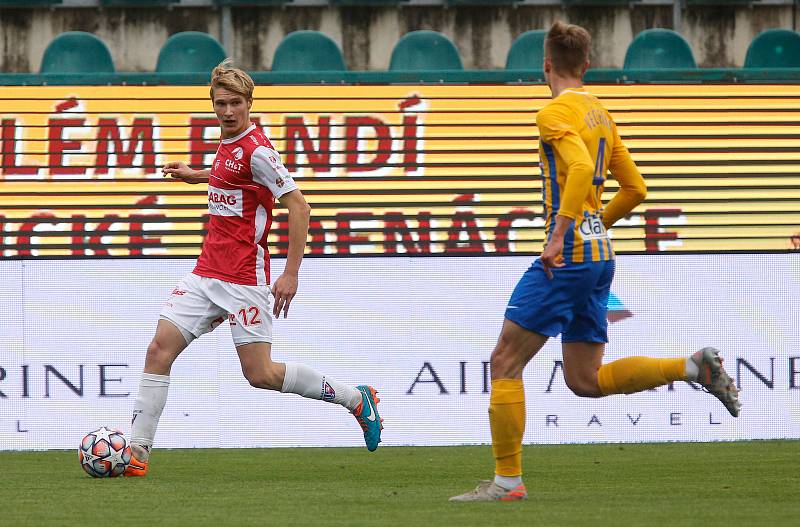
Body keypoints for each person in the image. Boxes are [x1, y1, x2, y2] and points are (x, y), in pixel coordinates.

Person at [450, 21, 740, 502]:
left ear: (546, 65)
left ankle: (507, 482)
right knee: (585, 380)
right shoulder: (601, 115)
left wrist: (562, 234)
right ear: (587, 65)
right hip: (600, 254)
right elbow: (637, 190)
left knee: (504, 362)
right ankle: (691, 368)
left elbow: (581, 168)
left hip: (569, 255)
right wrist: (595, 225)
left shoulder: (554, 112)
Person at [124, 60, 382, 477]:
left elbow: (300, 206)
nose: (227, 111)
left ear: (249, 103)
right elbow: (231, 175)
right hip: (206, 272)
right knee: (158, 350)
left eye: (235, 103)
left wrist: (290, 273)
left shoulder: (260, 150)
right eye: (220, 104)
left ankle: (356, 399)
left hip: (245, 279)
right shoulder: (228, 144)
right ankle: (136, 453)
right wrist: (197, 177)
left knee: (260, 374)